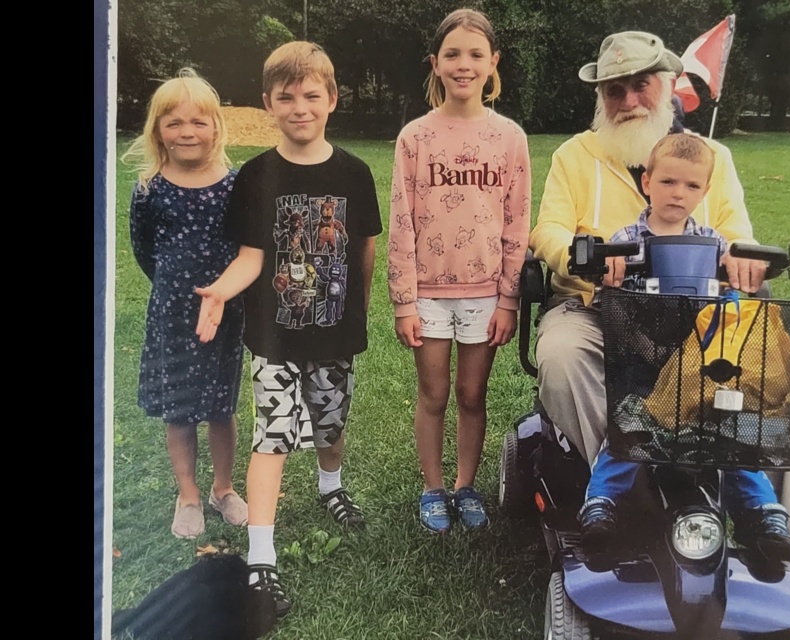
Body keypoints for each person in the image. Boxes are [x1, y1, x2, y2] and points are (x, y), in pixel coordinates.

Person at [528, 31, 790, 631]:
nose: (628, 98)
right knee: (564, 356)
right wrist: (590, 256)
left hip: (700, 317)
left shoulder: (710, 157)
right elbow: (548, 231)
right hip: (602, 308)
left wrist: (744, 262)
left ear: (668, 86)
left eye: (640, 83)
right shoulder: (576, 154)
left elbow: (736, 234)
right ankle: (626, 498)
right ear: (601, 96)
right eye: (614, 88)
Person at [194, 41, 381, 615]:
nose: (300, 107)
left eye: (311, 95)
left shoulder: (354, 172)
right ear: (268, 104)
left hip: (334, 332)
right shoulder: (255, 175)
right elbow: (252, 256)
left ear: (332, 100)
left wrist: (361, 310)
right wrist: (222, 291)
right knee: (272, 436)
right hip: (272, 336)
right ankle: (261, 562)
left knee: (329, 426)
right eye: (286, 97)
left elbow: (364, 252)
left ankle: (331, 487)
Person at [579, 133, 790, 564]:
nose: (678, 193)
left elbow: (732, 304)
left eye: (692, 186)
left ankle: (761, 513)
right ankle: (601, 505)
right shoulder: (625, 240)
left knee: (734, 432)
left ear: (705, 192)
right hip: (645, 366)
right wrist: (608, 275)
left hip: (700, 371)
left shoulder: (716, 245)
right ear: (647, 182)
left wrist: (738, 278)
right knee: (629, 428)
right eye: (668, 182)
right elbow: (610, 306)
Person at [388, 8, 531, 534]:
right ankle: (432, 489)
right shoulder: (415, 138)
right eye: (452, 54)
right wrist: (404, 300)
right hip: (427, 291)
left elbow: (517, 222)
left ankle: (466, 486)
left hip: (485, 294)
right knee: (434, 394)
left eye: (475, 55)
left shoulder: (510, 138)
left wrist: (509, 299)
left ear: (493, 63)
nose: (463, 65)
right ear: (436, 63)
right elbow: (401, 221)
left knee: (473, 396)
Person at [124, 68, 247, 540]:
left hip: (225, 316)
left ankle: (222, 488)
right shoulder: (150, 187)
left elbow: (246, 248)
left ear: (216, 126)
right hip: (171, 316)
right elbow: (143, 248)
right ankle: (188, 494)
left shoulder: (234, 184)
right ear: (157, 129)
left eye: (198, 122)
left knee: (220, 406)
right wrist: (173, 288)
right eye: (174, 122)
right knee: (179, 410)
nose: (187, 132)